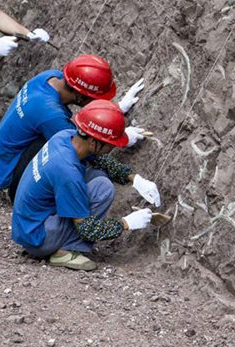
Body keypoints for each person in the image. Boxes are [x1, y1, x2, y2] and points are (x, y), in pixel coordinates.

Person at [12, 100, 161, 271]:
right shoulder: (68, 172)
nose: (112, 148)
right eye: (110, 144)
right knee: (102, 189)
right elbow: (87, 230)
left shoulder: (66, 137)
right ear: (93, 142)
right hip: (38, 238)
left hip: (27, 224)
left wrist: (135, 179)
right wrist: (126, 223)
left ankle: (62, 240)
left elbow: (100, 159)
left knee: (98, 177)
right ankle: (64, 250)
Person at [0, 54, 146, 200]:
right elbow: (89, 148)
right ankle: (22, 195)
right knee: (73, 156)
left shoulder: (50, 77)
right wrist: (119, 140)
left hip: (2, 165)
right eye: (95, 99)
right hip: (10, 178)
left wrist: (116, 109)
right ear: (81, 95)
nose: (94, 102)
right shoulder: (50, 114)